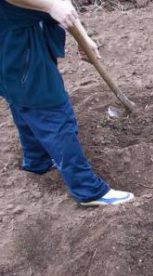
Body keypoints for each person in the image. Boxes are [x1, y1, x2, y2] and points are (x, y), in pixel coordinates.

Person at [0, 0, 134, 206]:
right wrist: (50, 6)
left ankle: (38, 161)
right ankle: (88, 190)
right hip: (16, 44)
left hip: (20, 39)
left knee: (25, 101)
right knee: (53, 113)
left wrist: (81, 35)